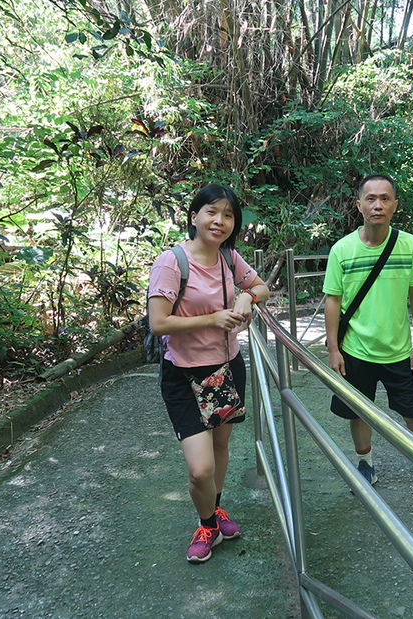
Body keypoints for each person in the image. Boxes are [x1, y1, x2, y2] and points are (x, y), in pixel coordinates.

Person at [148, 183, 270, 562]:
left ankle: (214, 513)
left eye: (229, 215)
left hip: (225, 368)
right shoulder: (172, 262)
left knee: (220, 447)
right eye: (212, 212)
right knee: (201, 468)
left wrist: (246, 296)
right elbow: (158, 323)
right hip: (184, 374)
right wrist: (213, 318)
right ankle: (206, 523)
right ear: (194, 216)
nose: (220, 221)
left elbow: (262, 287)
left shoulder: (229, 258)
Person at [324, 174, 413, 505]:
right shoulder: (342, 250)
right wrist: (334, 349)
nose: (378, 205)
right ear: (359, 204)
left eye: (385, 199)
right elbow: (332, 300)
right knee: (358, 413)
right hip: (355, 351)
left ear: (395, 205)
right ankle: (366, 465)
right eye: (371, 198)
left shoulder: (408, 245)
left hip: (398, 352)